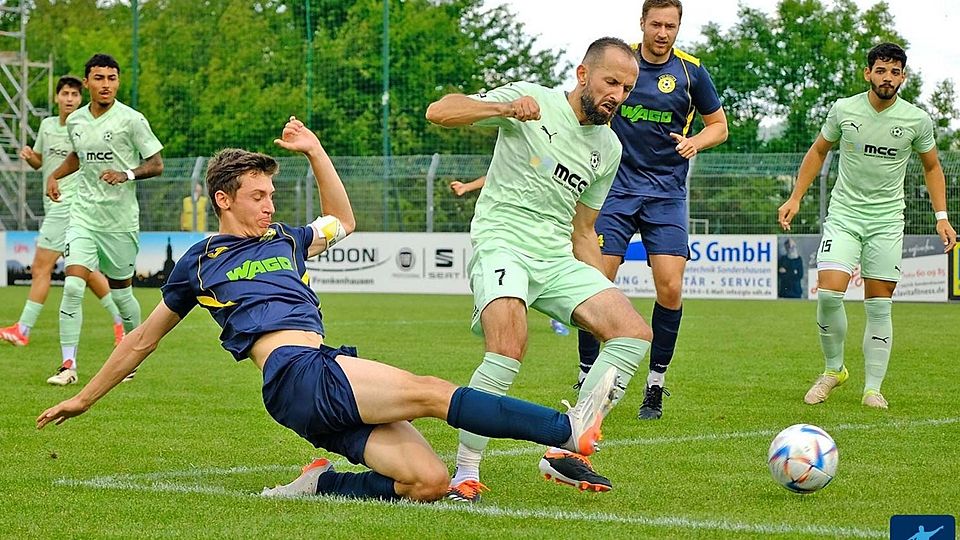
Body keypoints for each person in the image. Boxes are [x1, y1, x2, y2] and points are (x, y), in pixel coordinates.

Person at [36, 117, 619, 504]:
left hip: (310, 385)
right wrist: (85, 396)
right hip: (295, 372)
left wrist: (315, 150)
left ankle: (321, 485)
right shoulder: (200, 259)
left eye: (270, 194)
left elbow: (344, 218)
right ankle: (568, 430)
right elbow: (142, 341)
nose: (269, 205)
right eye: (257, 196)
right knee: (431, 391)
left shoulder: (286, 239)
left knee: (429, 481)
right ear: (223, 199)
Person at [426, 37, 651, 500]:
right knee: (508, 346)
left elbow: (584, 230)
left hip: (556, 258)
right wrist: (503, 109)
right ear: (582, 75)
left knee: (632, 332)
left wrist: (602, 295)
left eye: (627, 89)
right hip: (503, 242)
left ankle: (568, 445)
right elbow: (440, 111)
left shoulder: (609, 148)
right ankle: (465, 472)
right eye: (611, 82)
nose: (618, 96)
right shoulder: (535, 99)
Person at [778, 42, 957, 410]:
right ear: (868, 73)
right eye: (880, 70)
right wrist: (795, 197)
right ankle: (833, 371)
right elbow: (818, 151)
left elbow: (932, 167)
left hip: (887, 221)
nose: (887, 78)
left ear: (902, 77)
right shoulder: (844, 110)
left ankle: (873, 389)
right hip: (843, 215)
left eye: (894, 72)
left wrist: (942, 217)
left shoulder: (916, 120)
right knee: (829, 294)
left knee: (879, 305)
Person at [576, 0, 728, 421]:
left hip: (666, 192)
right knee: (593, 280)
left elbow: (719, 125)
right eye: (656, 24)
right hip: (615, 187)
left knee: (670, 287)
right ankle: (587, 374)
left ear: (679, 27)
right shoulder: (620, 62)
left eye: (671, 26)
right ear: (642, 23)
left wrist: (696, 142)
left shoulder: (690, 72)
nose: (663, 32)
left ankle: (655, 386)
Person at [44, 53, 164, 386]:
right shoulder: (77, 121)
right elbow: (77, 155)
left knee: (123, 295)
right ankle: (67, 366)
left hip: (120, 223)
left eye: (112, 78)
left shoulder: (132, 120)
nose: (106, 84)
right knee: (71, 285)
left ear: (118, 82)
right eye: (99, 78)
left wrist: (126, 174)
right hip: (83, 217)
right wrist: (55, 174)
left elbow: (156, 164)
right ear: (87, 82)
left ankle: (133, 354)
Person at [0, 76, 125, 349]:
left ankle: (23, 328)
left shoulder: (84, 125)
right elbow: (41, 163)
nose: (70, 99)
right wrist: (29, 157)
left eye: (74, 95)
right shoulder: (46, 126)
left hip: (69, 205)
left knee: (40, 267)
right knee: (85, 270)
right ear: (57, 97)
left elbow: (85, 161)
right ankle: (121, 322)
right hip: (54, 202)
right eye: (65, 94)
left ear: (80, 99)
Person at [449, 175, 571, 336]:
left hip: (543, 224)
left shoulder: (545, 162)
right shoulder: (526, 158)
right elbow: (496, 173)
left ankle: (556, 316)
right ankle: (490, 309)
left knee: (550, 270)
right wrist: (467, 186)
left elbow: (552, 171)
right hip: (508, 226)